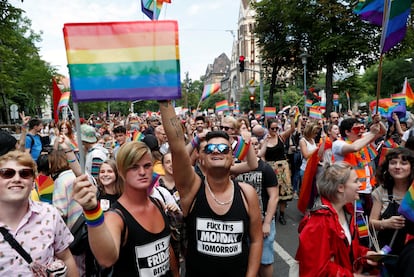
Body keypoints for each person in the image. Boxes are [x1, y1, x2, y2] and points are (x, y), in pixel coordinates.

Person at [159, 100, 263, 277]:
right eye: (210, 148)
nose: (217, 151)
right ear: (202, 159)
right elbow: (177, 147)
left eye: (223, 148)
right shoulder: (191, 190)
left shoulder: (247, 193)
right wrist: (164, 98)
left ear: (232, 158)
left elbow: (256, 240)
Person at [72, 141, 179, 276]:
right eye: (134, 167)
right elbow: (106, 259)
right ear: (122, 172)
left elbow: (166, 249)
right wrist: (92, 211)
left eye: (147, 166)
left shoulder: (157, 203)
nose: (142, 172)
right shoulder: (116, 217)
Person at [0, 150, 78, 276]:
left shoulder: (49, 214)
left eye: (25, 174)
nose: (16, 179)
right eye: (7, 173)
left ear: (33, 183)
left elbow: (66, 257)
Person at [296, 162, 379, 277]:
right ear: (340, 187)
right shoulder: (319, 222)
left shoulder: (348, 210)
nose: (360, 185)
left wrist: (364, 255)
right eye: (355, 181)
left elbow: (346, 249)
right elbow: (317, 270)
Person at [235, 136, 279, 277]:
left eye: (255, 144)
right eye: (248, 144)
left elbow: (274, 196)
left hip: (262, 222)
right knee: (246, 259)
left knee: (265, 260)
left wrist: (267, 223)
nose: (252, 147)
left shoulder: (265, 169)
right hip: (241, 222)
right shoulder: (234, 168)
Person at [369, 148, 414, 257]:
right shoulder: (381, 191)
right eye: (393, 163)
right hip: (386, 253)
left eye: (403, 163)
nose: (397, 167)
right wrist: (385, 223)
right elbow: (371, 223)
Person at [258, 113, 296, 225]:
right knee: (271, 192)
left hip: (283, 168)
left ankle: (282, 214)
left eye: (276, 128)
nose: (275, 130)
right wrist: (266, 167)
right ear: (268, 129)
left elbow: (293, 129)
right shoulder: (264, 141)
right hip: (270, 169)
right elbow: (262, 156)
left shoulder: (281, 137)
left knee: (284, 193)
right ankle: (272, 213)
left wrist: (292, 117)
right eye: (272, 128)